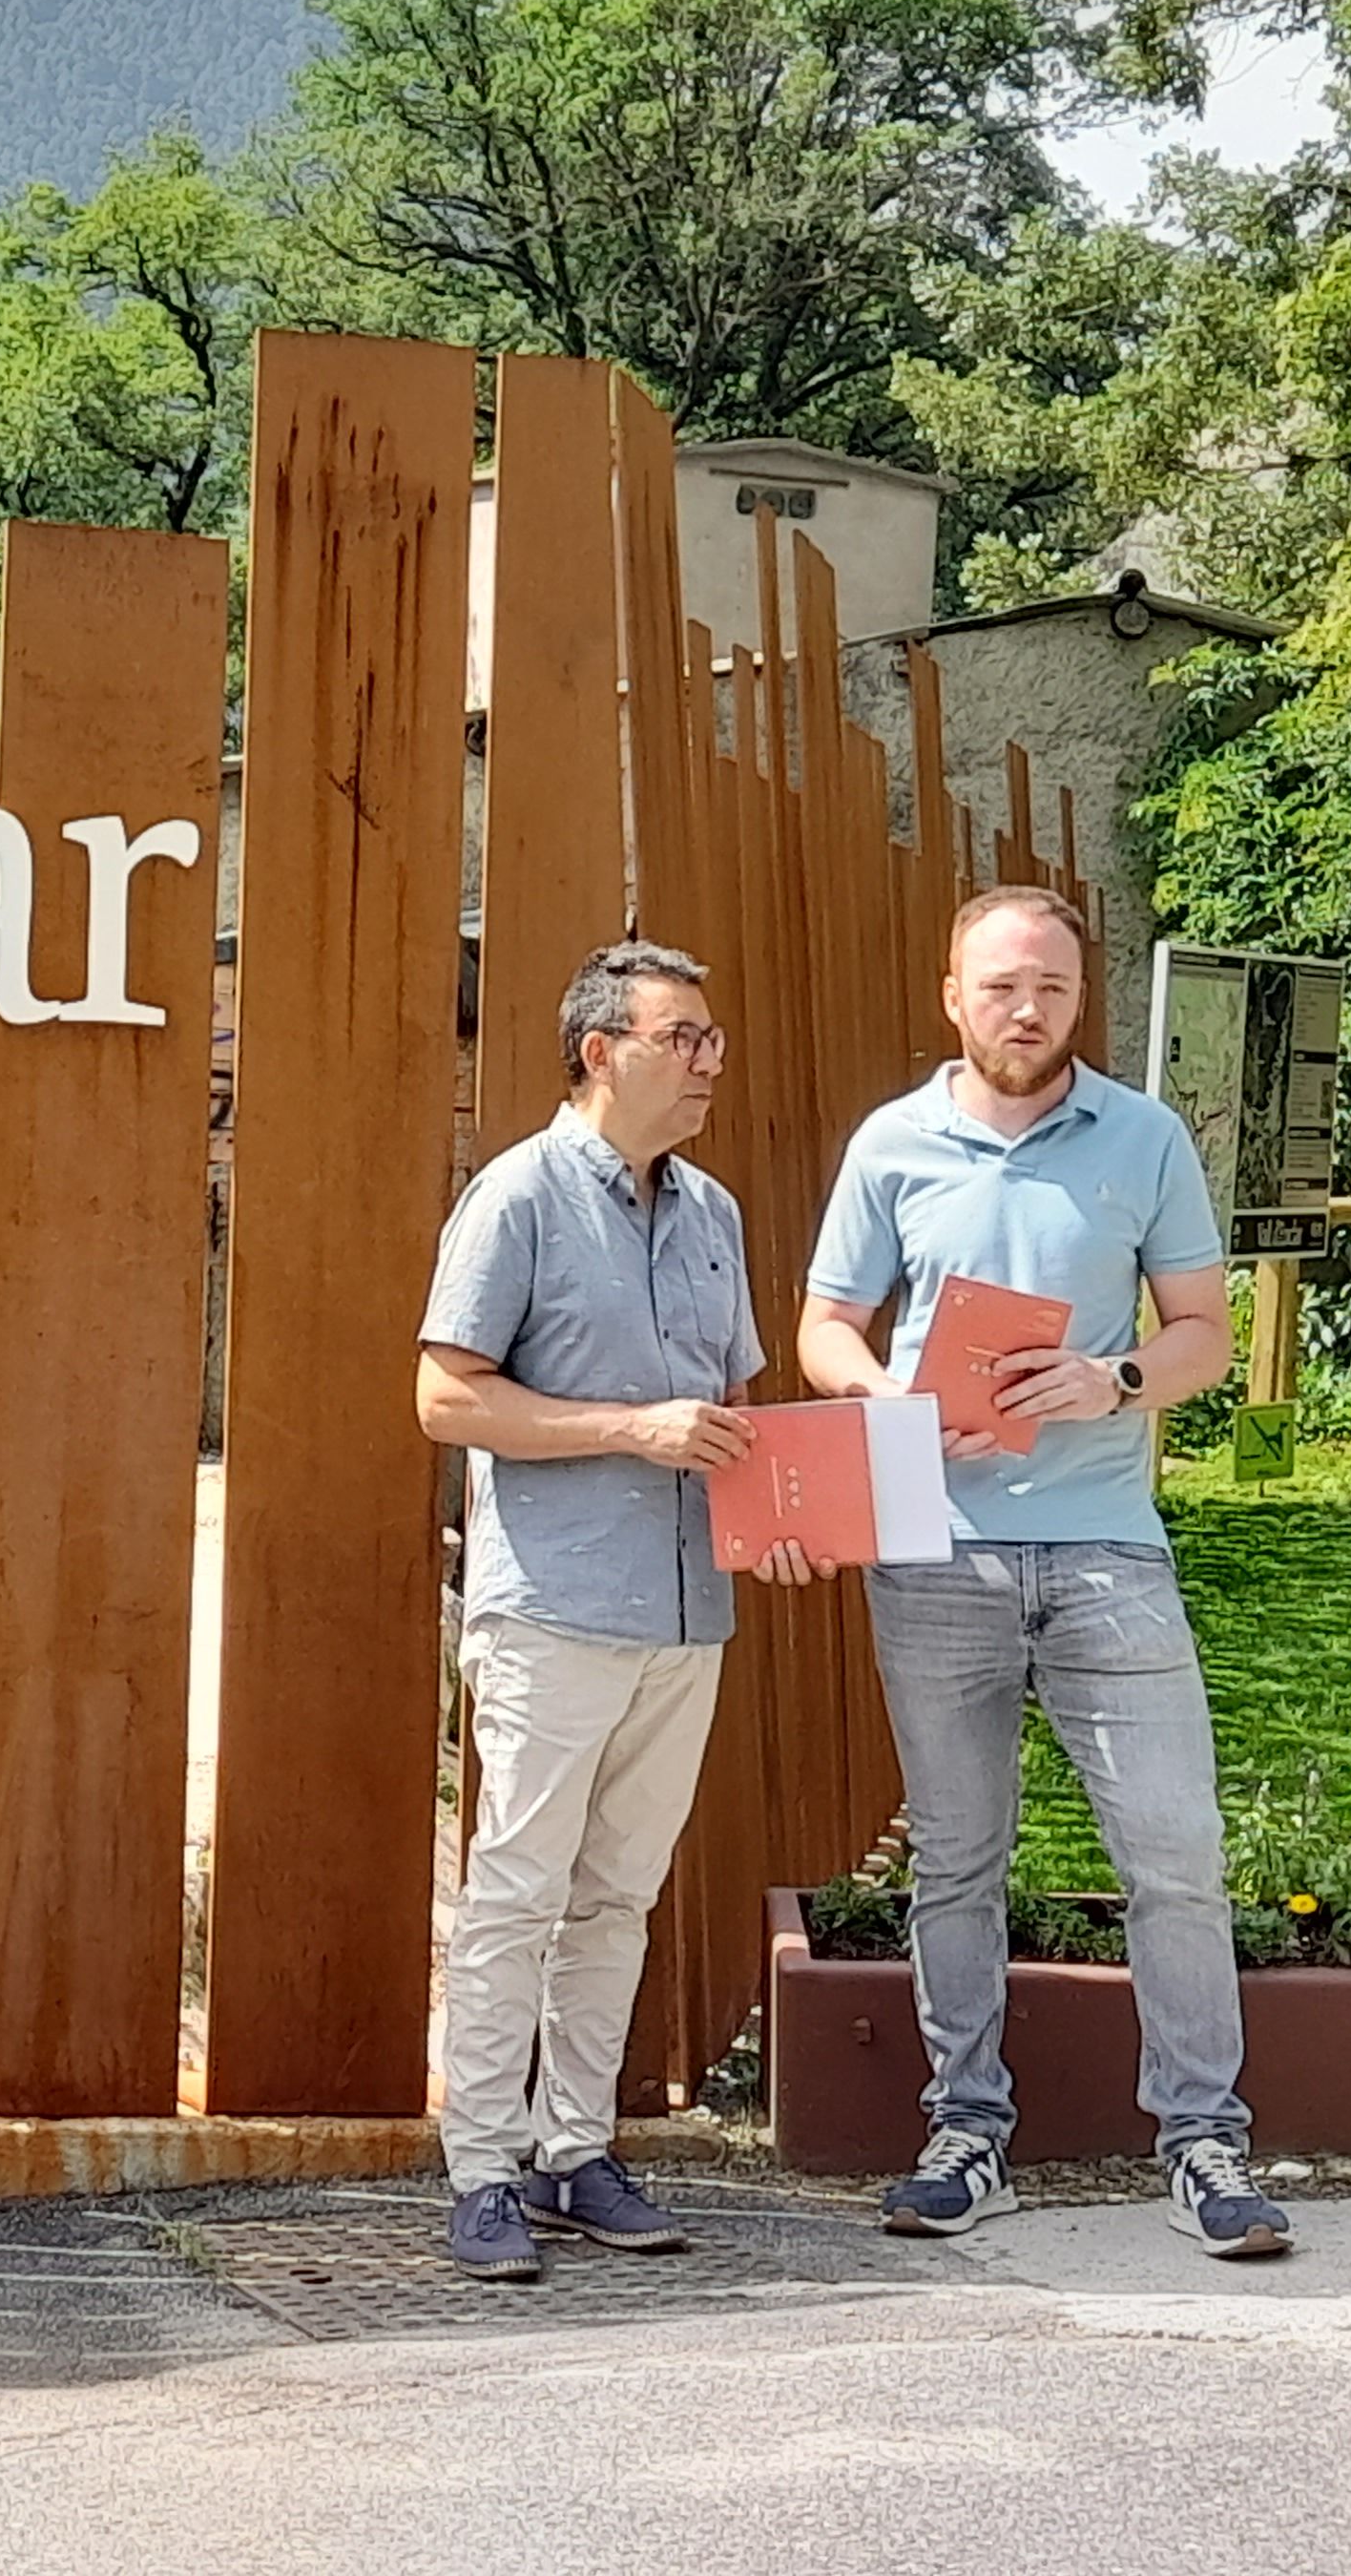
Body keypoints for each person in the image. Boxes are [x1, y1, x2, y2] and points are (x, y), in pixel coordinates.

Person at [797, 885, 1291, 2260]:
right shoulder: (894, 1144)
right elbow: (827, 1324)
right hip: (936, 1550)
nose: (1028, 1010)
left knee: (1176, 1853)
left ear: (1085, 999)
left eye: (1054, 989)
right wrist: (878, 1401)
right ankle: (966, 2132)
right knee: (957, 1858)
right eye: (1003, 986)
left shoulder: (1143, 1138)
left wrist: (1110, 1377)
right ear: (955, 997)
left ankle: (1204, 2144)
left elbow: (1199, 1332)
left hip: (1107, 1550)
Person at [417, 939, 825, 2283]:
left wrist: (789, 1529)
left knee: (618, 1898)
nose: (710, 1060)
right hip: (550, 1612)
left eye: (711, 1038)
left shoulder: (712, 1214)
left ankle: (572, 2150)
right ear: (601, 1050)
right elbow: (447, 1398)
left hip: (685, 1613)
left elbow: (739, 1422)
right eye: (683, 1037)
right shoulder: (516, 1200)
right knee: (519, 1893)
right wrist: (625, 1429)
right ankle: (481, 2167)